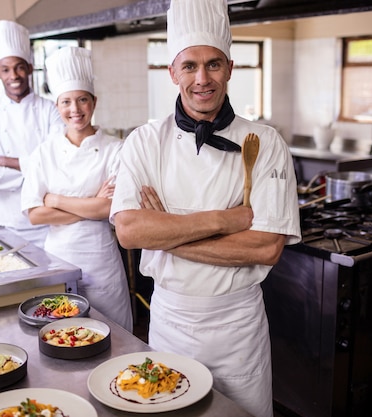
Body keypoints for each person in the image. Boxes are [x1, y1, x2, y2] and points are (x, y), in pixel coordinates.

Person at [109, 0, 301, 415]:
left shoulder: (265, 143)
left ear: (230, 69)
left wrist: (165, 234)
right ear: (172, 72)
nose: (202, 79)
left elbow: (265, 248)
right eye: (190, 66)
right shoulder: (145, 141)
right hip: (170, 323)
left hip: (238, 327)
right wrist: (226, 220)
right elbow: (129, 231)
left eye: (214, 65)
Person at [21, 46, 133, 332]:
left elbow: (109, 208)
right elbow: (35, 214)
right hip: (58, 258)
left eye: (82, 100)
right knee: (63, 334)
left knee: (115, 335)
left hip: (102, 261)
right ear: (57, 106)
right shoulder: (43, 153)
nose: (75, 110)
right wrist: (90, 204)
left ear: (93, 102)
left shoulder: (115, 149)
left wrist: (55, 199)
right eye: (67, 102)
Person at [0, 20, 64, 248]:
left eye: (19, 67)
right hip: (2, 222)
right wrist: (33, 174)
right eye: (6, 69)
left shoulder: (51, 109)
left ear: (30, 68)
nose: (14, 75)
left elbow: (57, 162)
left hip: (45, 223)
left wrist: (4, 162)